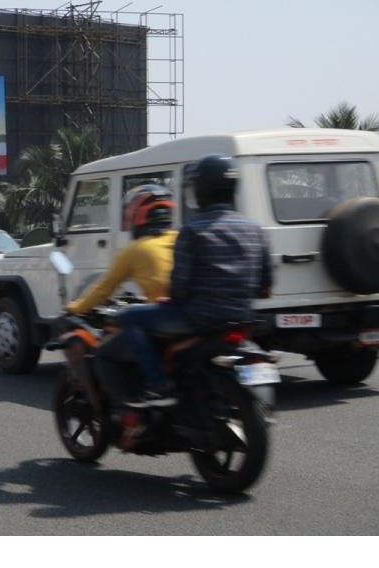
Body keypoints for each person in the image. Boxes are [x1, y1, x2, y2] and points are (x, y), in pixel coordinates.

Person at [117, 155, 273, 407]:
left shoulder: (192, 229)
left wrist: (172, 299)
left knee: (128, 317)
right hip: (244, 318)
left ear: (202, 189)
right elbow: (265, 286)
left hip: (199, 319)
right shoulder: (254, 229)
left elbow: (180, 287)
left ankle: (158, 384)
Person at [65, 184, 177, 315]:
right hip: (190, 313)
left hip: (166, 317)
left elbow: (104, 289)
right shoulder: (179, 237)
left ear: (137, 214)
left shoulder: (135, 249)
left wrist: (75, 307)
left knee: (123, 319)